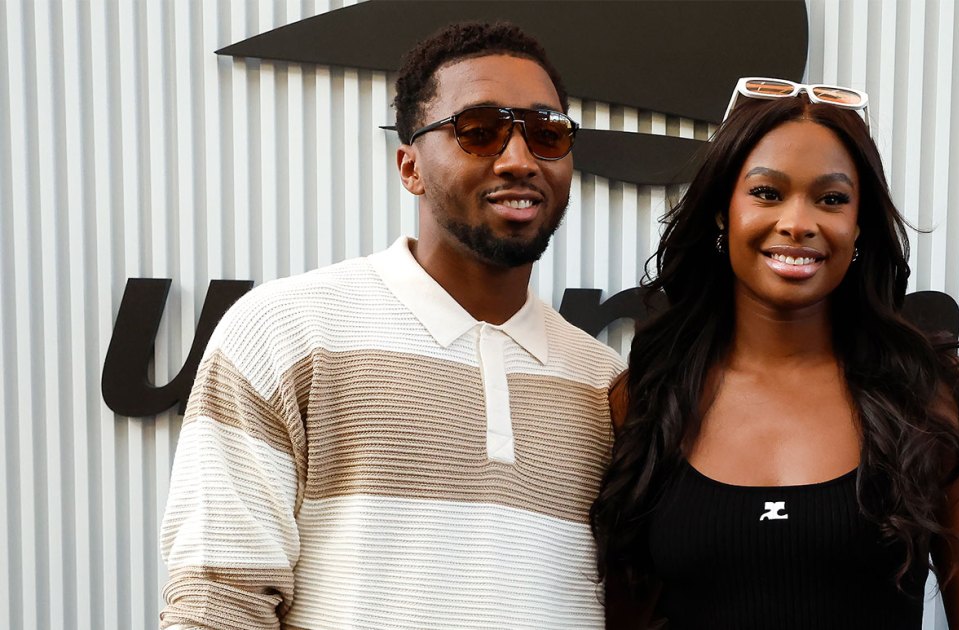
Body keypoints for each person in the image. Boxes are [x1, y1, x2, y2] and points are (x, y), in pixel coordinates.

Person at [159, 22, 623, 630]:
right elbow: (220, 603)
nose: (519, 160)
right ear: (410, 167)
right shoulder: (284, 334)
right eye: (479, 131)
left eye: (547, 133)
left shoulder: (604, 383)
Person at [591, 78, 959, 629]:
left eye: (831, 199)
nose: (797, 223)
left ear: (859, 225)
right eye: (767, 193)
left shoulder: (937, 396)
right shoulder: (649, 396)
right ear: (722, 211)